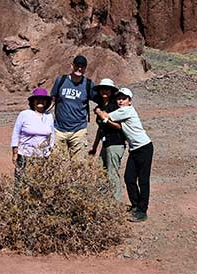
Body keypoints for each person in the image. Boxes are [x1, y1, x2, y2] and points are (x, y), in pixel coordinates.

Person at [97, 87, 153, 222]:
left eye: (124, 98)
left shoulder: (126, 111)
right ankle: (135, 205)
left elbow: (105, 116)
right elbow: (116, 124)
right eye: (119, 98)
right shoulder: (122, 112)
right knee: (129, 178)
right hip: (134, 149)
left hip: (144, 147)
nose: (120, 101)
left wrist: (98, 111)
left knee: (143, 180)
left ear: (130, 101)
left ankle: (142, 210)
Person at [50, 54, 98, 160]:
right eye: (77, 65)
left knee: (78, 166)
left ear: (85, 68)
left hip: (78, 131)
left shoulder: (88, 84)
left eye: (82, 66)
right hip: (59, 130)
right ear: (72, 66)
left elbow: (100, 99)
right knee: (57, 165)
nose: (79, 68)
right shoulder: (61, 80)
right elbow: (52, 99)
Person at [88, 77, 125, 201]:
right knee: (101, 171)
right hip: (105, 144)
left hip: (115, 143)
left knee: (112, 173)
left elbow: (119, 126)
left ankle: (116, 203)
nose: (104, 91)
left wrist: (101, 115)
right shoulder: (101, 106)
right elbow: (100, 129)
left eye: (107, 90)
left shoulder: (115, 106)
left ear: (111, 91)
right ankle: (104, 200)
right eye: (102, 89)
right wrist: (94, 147)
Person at [10, 88, 55, 181]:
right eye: (37, 98)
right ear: (33, 101)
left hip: (42, 156)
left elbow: (52, 134)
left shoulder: (49, 116)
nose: (40, 101)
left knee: (39, 182)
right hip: (25, 154)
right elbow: (16, 132)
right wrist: (15, 152)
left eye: (43, 99)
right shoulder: (24, 114)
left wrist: (51, 150)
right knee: (21, 181)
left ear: (47, 102)